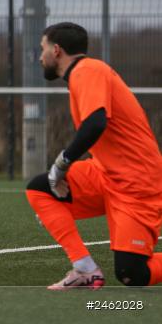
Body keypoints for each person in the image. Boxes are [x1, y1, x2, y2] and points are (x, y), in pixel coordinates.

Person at [28, 22, 162, 289]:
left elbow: (96, 123)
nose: (39, 56)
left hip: (137, 183)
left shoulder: (88, 71)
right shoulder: (83, 74)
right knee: (41, 190)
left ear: (56, 50)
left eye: (41, 48)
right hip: (105, 174)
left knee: (132, 274)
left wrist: (61, 165)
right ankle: (85, 269)